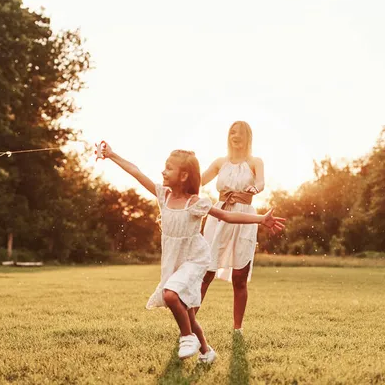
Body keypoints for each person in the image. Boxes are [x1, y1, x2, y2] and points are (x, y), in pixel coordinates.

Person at [102, 142, 284, 362]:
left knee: (170, 295)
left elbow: (228, 216)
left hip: (194, 260)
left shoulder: (195, 203)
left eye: (169, 168)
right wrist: (111, 155)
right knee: (188, 313)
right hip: (174, 261)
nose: (163, 171)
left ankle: (187, 337)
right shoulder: (164, 196)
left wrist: (261, 219)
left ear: (184, 175)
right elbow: (136, 172)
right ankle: (207, 351)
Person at [200, 121, 264, 333]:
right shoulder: (220, 162)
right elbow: (199, 181)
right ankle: (189, 323)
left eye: (240, 132)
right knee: (206, 272)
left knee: (240, 276)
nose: (235, 135)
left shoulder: (255, 162)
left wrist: (255, 188)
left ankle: (238, 328)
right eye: (232, 132)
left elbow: (262, 183)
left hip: (244, 216)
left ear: (248, 137)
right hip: (219, 216)